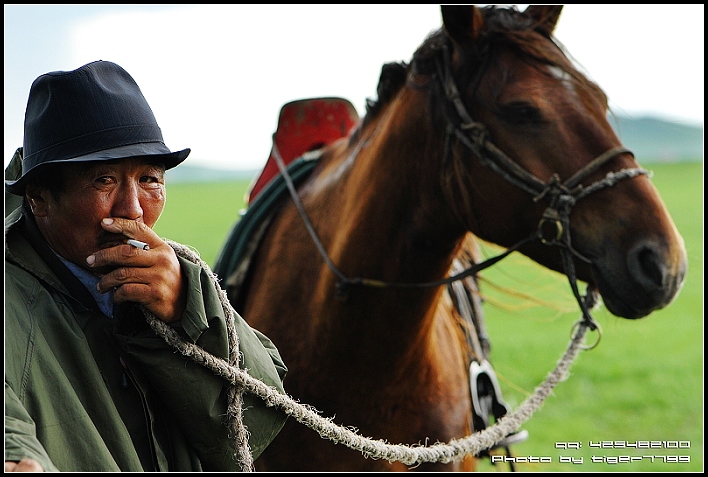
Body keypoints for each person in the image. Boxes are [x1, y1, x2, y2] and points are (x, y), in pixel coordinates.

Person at [4, 60, 288, 472]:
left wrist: (185, 309)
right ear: (39, 197)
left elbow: (257, 424)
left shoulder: (177, 279)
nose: (133, 209)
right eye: (104, 180)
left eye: (150, 179)